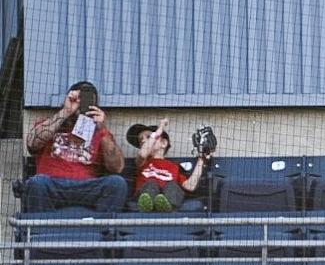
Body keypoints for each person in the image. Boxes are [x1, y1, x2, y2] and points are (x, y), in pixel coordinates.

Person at [23, 81, 126, 213]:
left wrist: (102, 130)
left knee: (117, 183)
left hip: (87, 188)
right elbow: (32, 143)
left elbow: (117, 168)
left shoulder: (101, 133)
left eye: (87, 101)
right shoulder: (50, 124)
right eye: (80, 99)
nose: (82, 104)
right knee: (37, 183)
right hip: (53, 184)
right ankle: (41, 232)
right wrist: (66, 111)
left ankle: (103, 232)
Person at [127, 119, 210, 212]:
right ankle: (147, 207)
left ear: (163, 143)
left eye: (148, 137)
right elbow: (142, 154)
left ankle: (167, 207)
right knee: (151, 184)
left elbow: (190, 186)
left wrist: (202, 159)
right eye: (140, 140)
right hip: (147, 198)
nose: (143, 141)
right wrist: (160, 129)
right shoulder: (142, 162)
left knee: (173, 186)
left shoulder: (174, 166)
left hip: (169, 201)